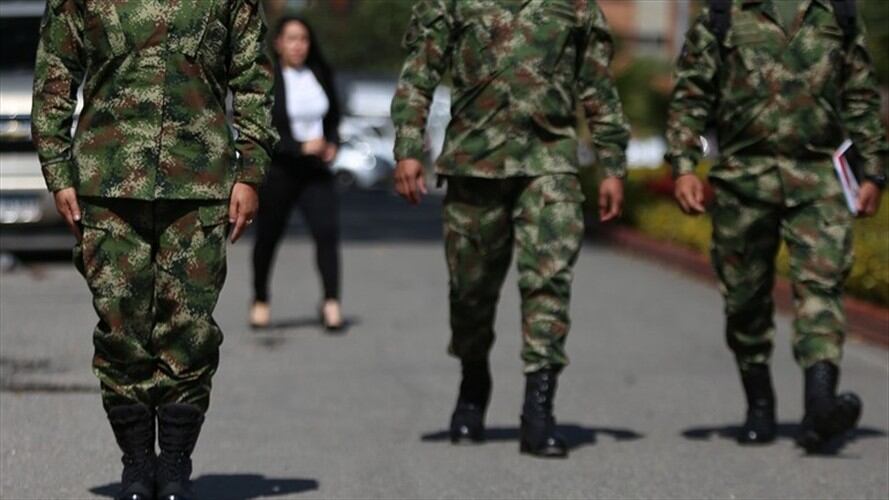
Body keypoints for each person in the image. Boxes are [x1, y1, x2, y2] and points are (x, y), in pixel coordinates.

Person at [31, 1, 276, 498]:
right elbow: (55, 73)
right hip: (107, 181)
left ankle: (176, 464)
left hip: (198, 182)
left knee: (189, 330)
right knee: (120, 328)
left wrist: (250, 172)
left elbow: (253, 79)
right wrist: (57, 170)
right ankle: (137, 464)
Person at [391, 0, 629, 458]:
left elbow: (597, 84)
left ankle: (539, 412)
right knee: (470, 291)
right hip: (473, 166)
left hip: (549, 165)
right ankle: (473, 377)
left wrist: (613, 164)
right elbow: (419, 74)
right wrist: (407, 148)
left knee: (549, 284)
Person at [666, 0, 887, 451]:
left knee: (821, 287)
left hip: (819, 178)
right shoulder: (724, 13)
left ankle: (819, 407)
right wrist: (684, 166)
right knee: (744, 299)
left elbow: (861, 94)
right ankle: (759, 402)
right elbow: (691, 95)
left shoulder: (838, 11)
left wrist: (874, 171)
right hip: (743, 178)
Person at [249, 15, 343, 331]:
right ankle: (260, 298)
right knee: (268, 237)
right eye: (291, 39)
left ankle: (331, 301)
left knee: (326, 232)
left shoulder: (319, 73)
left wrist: (332, 143)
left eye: (303, 39)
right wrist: (300, 147)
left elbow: (334, 116)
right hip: (281, 170)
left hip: (315, 171)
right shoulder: (269, 78)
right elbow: (265, 128)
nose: (298, 46)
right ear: (278, 43)